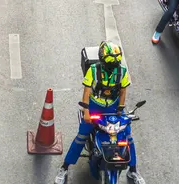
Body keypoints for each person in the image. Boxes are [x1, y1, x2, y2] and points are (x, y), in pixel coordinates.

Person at [54, 41, 144, 184]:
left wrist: (120, 109)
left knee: (127, 138)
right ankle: (65, 167)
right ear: (102, 60)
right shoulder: (94, 70)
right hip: (94, 106)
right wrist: (86, 111)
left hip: (113, 108)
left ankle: (133, 170)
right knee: (82, 136)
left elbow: (122, 91)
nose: (112, 65)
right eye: (110, 62)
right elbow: (87, 91)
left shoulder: (122, 71)